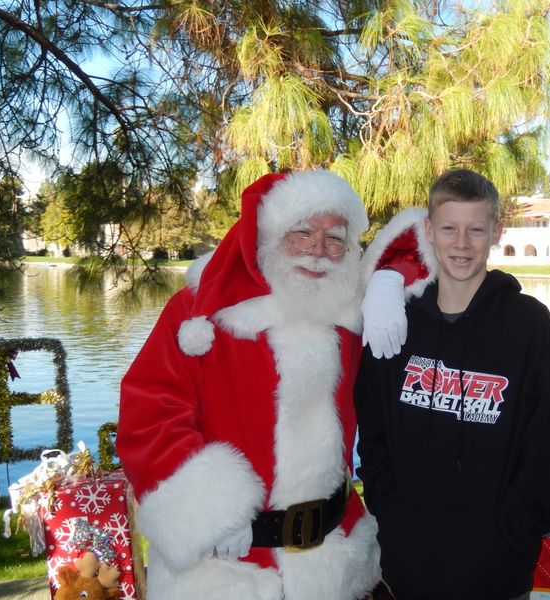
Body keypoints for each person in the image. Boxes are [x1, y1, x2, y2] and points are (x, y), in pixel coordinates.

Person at [117, 170, 394, 600]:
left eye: (336, 238)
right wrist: (209, 512)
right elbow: (149, 413)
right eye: (302, 233)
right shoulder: (201, 312)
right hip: (228, 569)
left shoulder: (353, 312)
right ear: (270, 235)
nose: (320, 250)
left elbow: (435, 241)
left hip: (333, 563)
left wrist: (390, 280)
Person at [354, 168, 550, 600]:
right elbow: (373, 423)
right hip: (406, 561)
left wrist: (508, 532)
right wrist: (392, 515)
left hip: (497, 567)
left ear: (496, 231)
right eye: (449, 229)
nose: (462, 243)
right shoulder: (394, 321)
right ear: (428, 231)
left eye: (476, 229)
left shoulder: (527, 324)